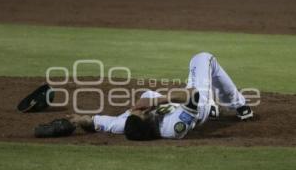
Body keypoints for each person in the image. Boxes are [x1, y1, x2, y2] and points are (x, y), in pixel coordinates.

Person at [68, 52, 253, 140]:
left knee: (146, 94)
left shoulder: (130, 126)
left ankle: (214, 107)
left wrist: (80, 120)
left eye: (134, 111)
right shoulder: (173, 128)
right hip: (198, 105)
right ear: (148, 121)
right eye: (141, 112)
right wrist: (156, 100)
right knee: (203, 59)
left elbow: (105, 123)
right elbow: (193, 95)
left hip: (179, 105)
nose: (136, 109)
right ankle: (239, 105)